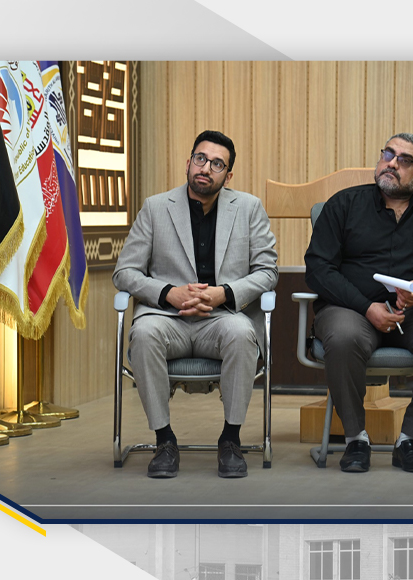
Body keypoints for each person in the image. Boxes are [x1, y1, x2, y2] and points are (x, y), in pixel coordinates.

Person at [113, 130, 278, 478]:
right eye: (201, 159)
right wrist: (167, 292)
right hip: (166, 317)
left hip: (221, 317)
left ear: (228, 176)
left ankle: (230, 440)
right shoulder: (156, 208)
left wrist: (224, 293)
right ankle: (164, 441)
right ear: (188, 163)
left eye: (217, 164)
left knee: (241, 334)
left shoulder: (249, 208)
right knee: (143, 333)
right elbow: (124, 272)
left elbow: (267, 272)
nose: (206, 168)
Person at [305, 132, 413, 473]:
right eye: (388, 154)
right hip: (351, 310)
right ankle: (356, 439)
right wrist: (366, 307)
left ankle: (409, 439)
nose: (392, 164)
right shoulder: (344, 204)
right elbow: (319, 268)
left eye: (404, 160)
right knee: (344, 336)